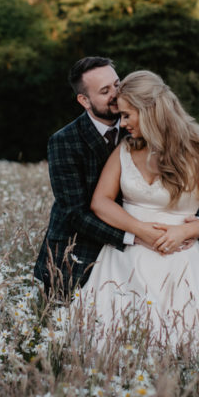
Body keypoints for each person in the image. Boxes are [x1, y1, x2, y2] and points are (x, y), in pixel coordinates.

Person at [74, 70, 199, 353]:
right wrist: (140, 231)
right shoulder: (125, 150)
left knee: (185, 343)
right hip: (121, 264)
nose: (122, 124)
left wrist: (187, 230)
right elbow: (101, 202)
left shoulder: (198, 155)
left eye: (126, 115)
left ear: (149, 110)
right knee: (109, 346)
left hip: (178, 264)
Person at [33, 57, 136, 297]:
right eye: (105, 91)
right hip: (77, 255)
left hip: (135, 252)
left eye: (117, 84)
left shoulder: (140, 127)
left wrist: (188, 219)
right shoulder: (64, 142)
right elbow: (75, 214)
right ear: (84, 100)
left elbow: (166, 180)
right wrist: (133, 237)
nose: (116, 94)